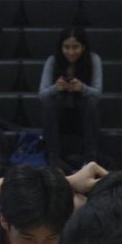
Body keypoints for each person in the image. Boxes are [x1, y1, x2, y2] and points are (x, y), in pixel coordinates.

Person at [40, 27, 102, 167]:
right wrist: (56, 88)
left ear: (83, 47)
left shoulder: (93, 60)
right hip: (59, 115)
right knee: (49, 105)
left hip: (84, 114)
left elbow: (97, 94)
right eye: (66, 47)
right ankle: (54, 157)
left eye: (75, 47)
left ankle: (90, 157)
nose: (71, 52)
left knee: (90, 104)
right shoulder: (53, 61)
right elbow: (42, 95)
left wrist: (82, 88)